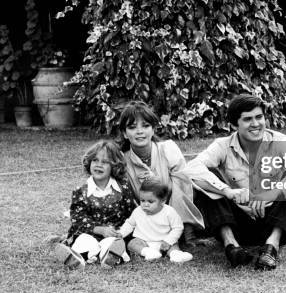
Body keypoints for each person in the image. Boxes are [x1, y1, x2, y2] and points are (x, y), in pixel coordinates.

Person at [185, 94, 286, 270]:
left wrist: (271, 193)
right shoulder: (223, 145)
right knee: (206, 178)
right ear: (234, 125)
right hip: (235, 224)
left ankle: (270, 248)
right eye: (248, 119)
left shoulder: (280, 141)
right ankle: (232, 247)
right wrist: (227, 191)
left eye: (259, 117)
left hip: (273, 222)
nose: (256, 124)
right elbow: (191, 168)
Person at [118, 101, 234, 245]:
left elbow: (184, 187)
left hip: (176, 208)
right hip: (145, 213)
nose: (140, 131)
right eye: (132, 127)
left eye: (146, 126)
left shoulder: (167, 148)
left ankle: (189, 233)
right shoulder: (122, 160)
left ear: (153, 129)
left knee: (184, 179)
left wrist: (157, 185)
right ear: (124, 133)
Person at [53, 140, 136, 270]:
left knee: (112, 243)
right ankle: (77, 257)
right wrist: (100, 230)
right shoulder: (81, 191)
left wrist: (121, 232)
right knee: (84, 242)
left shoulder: (122, 188)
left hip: (112, 233)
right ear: (89, 162)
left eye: (105, 162)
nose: (99, 165)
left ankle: (109, 257)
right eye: (95, 160)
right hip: (89, 232)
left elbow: (131, 214)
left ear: (115, 166)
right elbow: (78, 219)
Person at [118, 179, 193, 263]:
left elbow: (178, 228)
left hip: (164, 242)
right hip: (144, 241)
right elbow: (130, 224)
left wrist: (168, 241)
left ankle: (176, 255)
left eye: (150, 201)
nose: (145, 204)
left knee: (173, 246)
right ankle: (148, 252)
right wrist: (121, 233)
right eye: (142, 200)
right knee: (132, 244)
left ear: (162, 201)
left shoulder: (169, 212)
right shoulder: (138, 211)